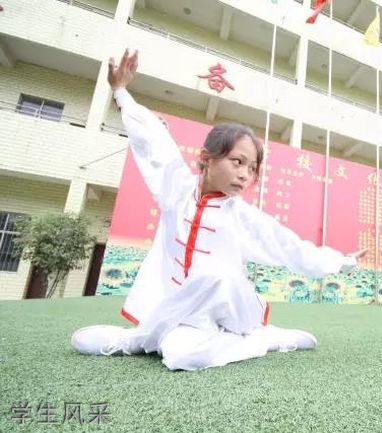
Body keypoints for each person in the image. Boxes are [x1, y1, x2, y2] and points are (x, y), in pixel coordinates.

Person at [71, 49, 366, 371]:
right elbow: (153, 141)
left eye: (252, 168)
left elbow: (292, 249)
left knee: (214, 276)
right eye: (237, 162)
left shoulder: (244, 217)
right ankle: (157, 337)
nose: (245, 174)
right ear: (206, 158)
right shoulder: (177, 191)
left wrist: (342, 261)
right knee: (182, 356)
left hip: (234, 310)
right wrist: (120, 91)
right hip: (184, 315)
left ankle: (152, 339)